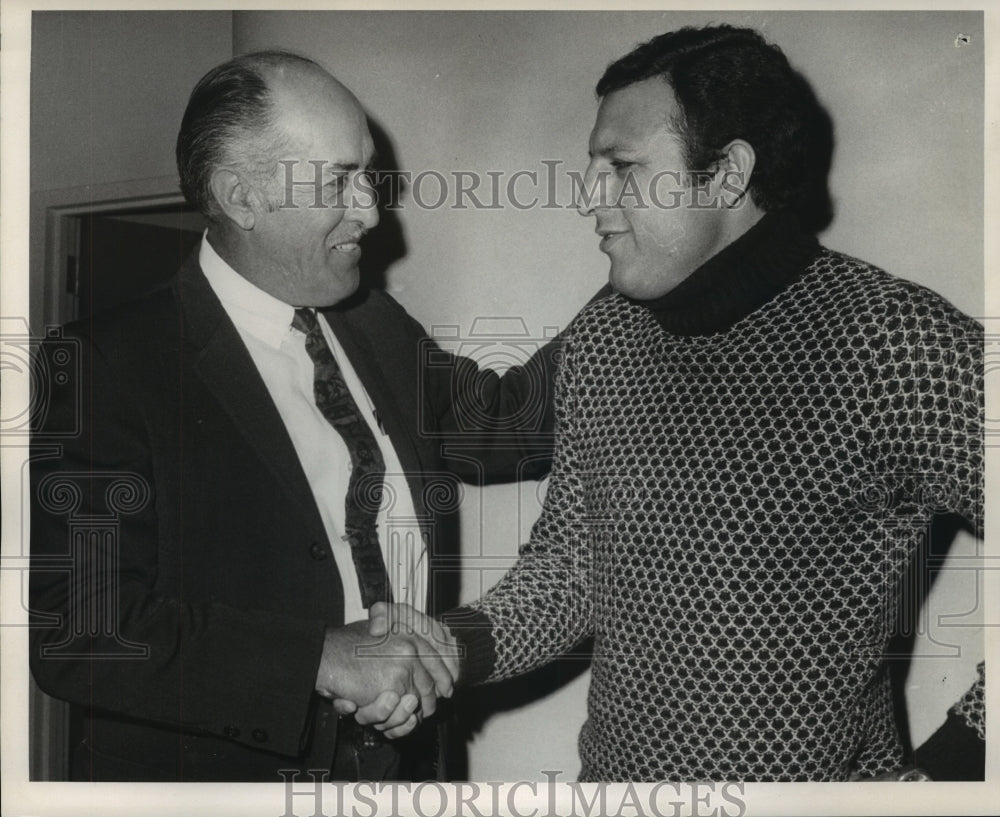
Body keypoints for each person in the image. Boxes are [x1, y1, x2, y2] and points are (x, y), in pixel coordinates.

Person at [373, 24, 984, 781]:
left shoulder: (891, 341)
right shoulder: (605, 335)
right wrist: (447, 645)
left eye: (621, 167)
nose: (588, 197)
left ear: (726, 173)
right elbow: (574, 568)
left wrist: (958, 769)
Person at [28, 50, 561, 782]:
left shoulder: (372, 321)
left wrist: (651, 272)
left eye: (367, 174)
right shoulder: (107, 363)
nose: (372, 210)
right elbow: (80, 631)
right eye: (340, 179)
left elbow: (506, 426)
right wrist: (320, 656)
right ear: (241, 196)